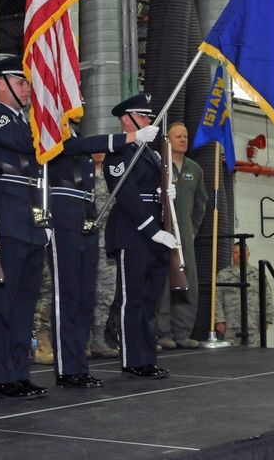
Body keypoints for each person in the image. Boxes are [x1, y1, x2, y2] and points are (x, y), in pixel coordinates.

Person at [46, 116, 157, 387]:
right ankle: (67, 368)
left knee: (85, 296)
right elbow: (77, 146)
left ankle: (77, 364)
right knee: (68, 295)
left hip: (86, 215)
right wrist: (129, 138)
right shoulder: (48, 128)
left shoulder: (74, 132)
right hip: (63, 214)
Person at [0, 55, 50, 399]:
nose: (27, 89)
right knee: (3, 303)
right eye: (21, 82)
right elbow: (31, 146)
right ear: (1, 84)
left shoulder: (25, 122)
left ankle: (18, 371)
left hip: (32, 222)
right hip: (7, 221)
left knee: (26, 304)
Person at [103, 92, 177, 379]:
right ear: (126, 119)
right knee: (131, 299)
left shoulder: (149, 152)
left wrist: (165, 193)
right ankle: (132, 359)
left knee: (148, 301)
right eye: (142, 115)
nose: (148, 119)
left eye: (148, 115)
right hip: (133, 233)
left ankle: (146, 357)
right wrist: (152, 231)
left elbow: (151, 188)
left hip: (155, 232)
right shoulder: (118, 152)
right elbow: (127, 196)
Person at [155, 122, 208, 350]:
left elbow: (201, 202)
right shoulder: (157, 164)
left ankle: (182, 332)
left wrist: (193, 229)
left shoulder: (194, 168)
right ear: (167, 140)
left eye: (185, 136)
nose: (183, 140)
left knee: (187, 282)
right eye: (178, 136)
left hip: (185, 232)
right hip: (161, 232)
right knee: (164, 282)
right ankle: (162, 332)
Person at [89, 153, 120, 359]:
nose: (100, 151)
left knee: (106, 295)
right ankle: (80, 340)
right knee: (83, 293)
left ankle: (98, 340)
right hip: (86, 240)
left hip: (108, 242)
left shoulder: (114, 173)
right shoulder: (82, 174)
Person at [215, 241, 274, 347]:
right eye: (236, 252)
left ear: (248, 254)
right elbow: (217, 299)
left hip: (254, 324)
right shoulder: (223, 275)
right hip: (231, 325)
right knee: (231, 357)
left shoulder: (258, 274)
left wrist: (267, 318)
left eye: (242, 252)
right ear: (232, 255)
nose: (239, 255)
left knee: (255, 357)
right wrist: (219, 320)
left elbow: (267, 296)